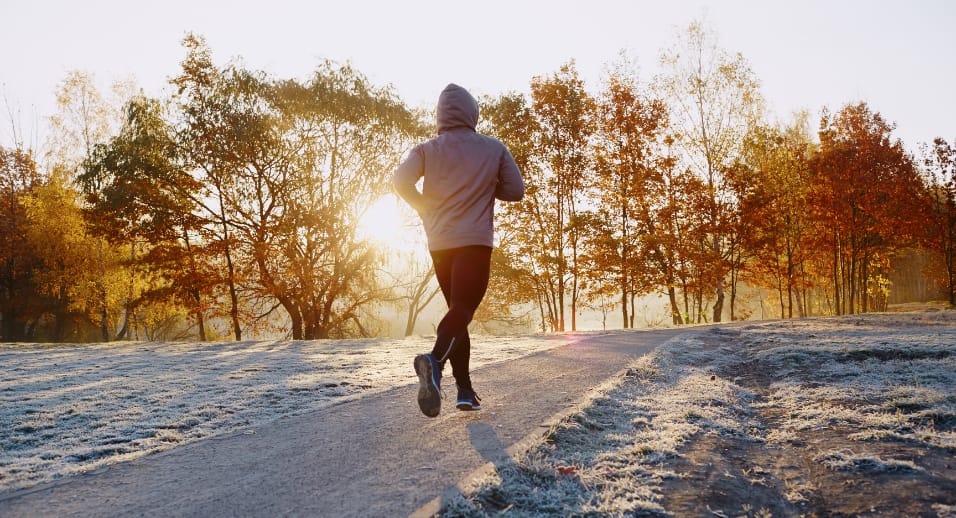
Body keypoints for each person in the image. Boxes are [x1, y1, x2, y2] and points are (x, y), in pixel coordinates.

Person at [392, 83, 525, 418]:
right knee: (463, 310)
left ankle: (464, 390)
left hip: (439, 243)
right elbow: (516, 190)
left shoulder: (425, 149)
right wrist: (486, 184)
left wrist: (425, 208)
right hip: (475, 241)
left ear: (440, 115)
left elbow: (400, 181)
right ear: (472, 113)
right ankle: (434, 362)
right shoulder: (492, 149)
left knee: (457, 311)